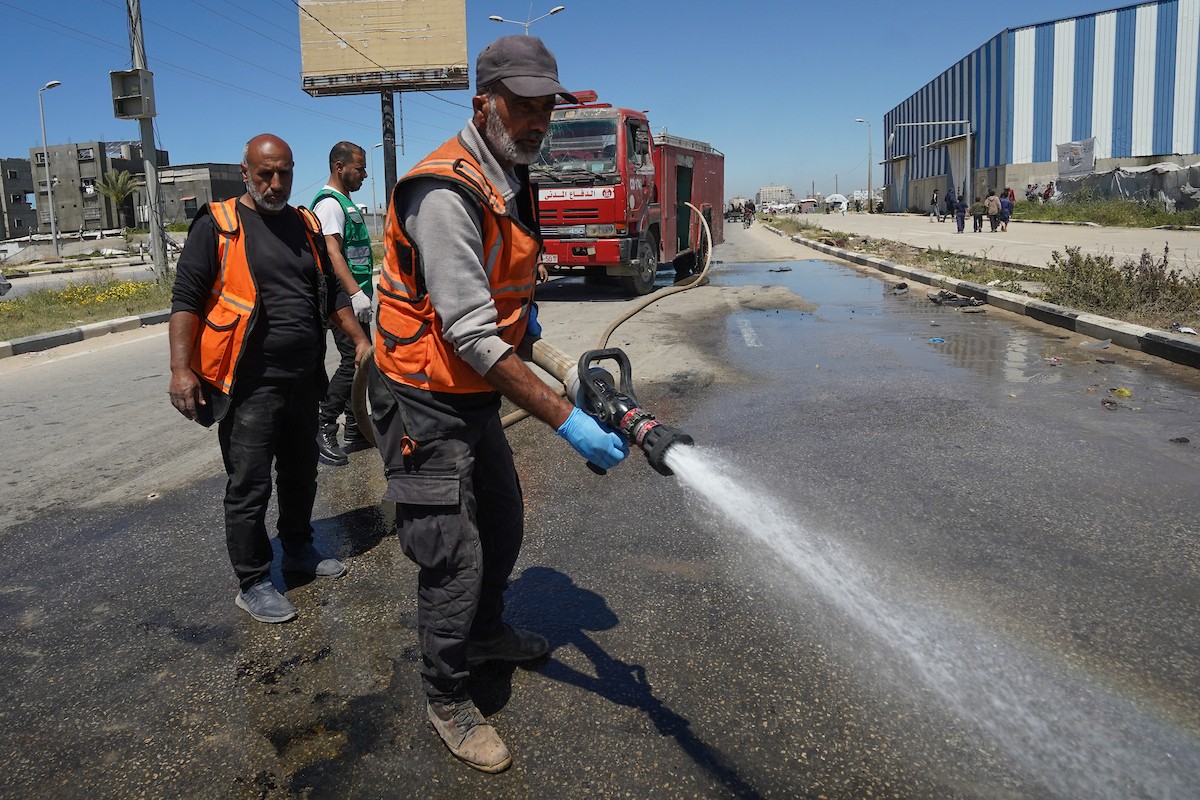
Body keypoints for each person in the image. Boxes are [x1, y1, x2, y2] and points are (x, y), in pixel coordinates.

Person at [366, 35, 628, 773]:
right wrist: (566, 419)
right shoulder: (445, 193)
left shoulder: (511, 174)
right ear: (484, 103)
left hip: (473, 391)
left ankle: (483, 633)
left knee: (504, 522)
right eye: (525, 104)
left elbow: (506, 305)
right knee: (452, 553)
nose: (539, 119)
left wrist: (555, 359)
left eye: (547, 105)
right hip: (425, 398)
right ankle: (446, 696)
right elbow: (474, 338)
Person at [168, 134, 371, 624]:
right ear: (245, 172)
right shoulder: (217, 225)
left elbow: (329, 296)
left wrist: (362, 342)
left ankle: (299, 547)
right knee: (250, 484)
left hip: (303, 377)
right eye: (265, 174)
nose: (275, 183)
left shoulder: (303, 223)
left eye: (284, 173)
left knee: (301, 472)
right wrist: (180, 370)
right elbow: (185, 301)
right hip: (247, 384)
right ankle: (253, 580)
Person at [312, 142, 374, 466]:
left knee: (361, 361)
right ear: (340, 167)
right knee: (353, 360)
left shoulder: (346, 202)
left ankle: (356, 429)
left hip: (356, 298)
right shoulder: (329, 205)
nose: (364, 174)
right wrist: (353, 293)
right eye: (359, 168)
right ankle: (325, 423)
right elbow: (332, 253)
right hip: (344, 300)